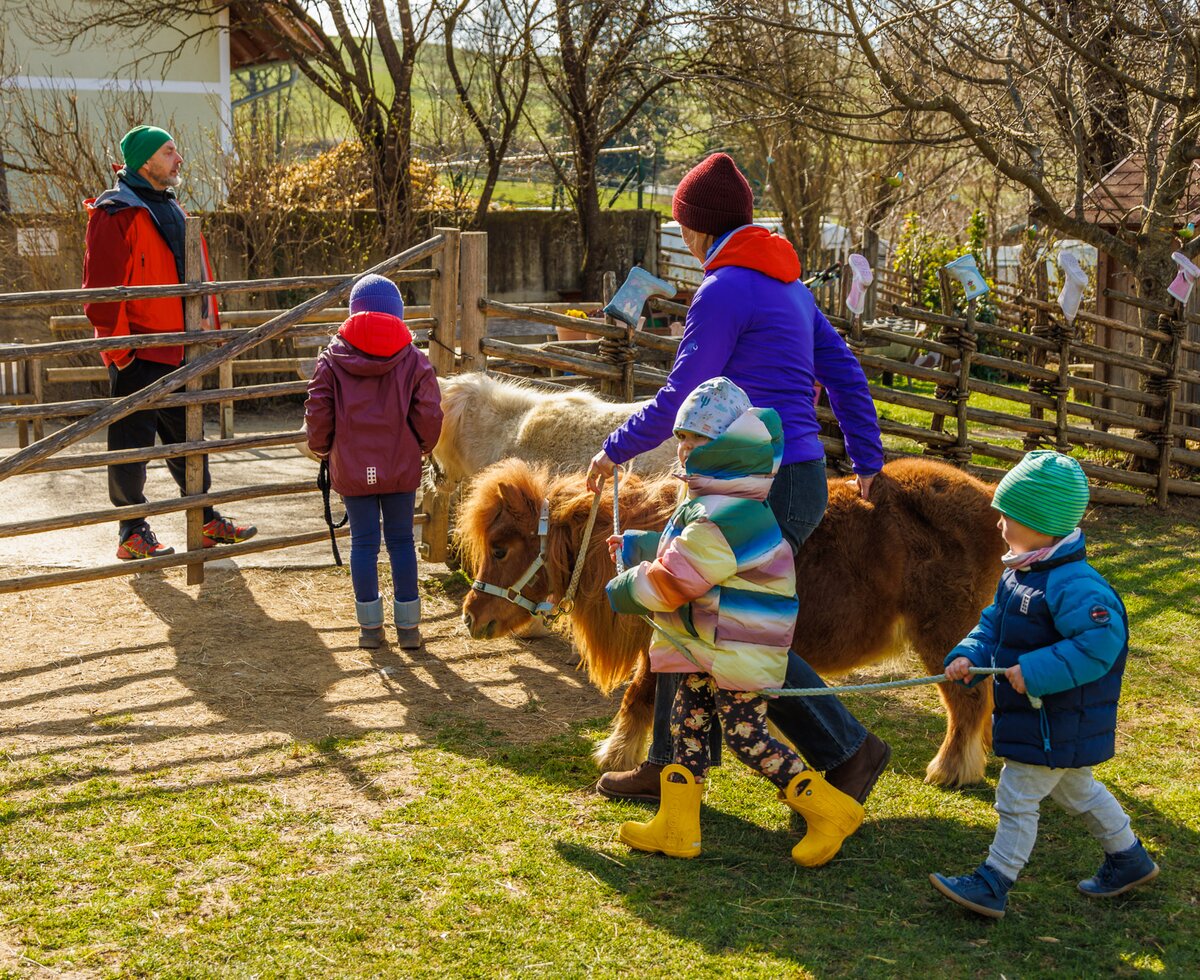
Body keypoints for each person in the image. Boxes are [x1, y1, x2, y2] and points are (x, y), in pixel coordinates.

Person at [586, 152, 890, 806]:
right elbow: (846, 374)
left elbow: (682, 394)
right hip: (795, 476)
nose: (686, 239)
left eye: (684, 226)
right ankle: (673, 767)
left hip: (754, 483)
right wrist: (865, 458)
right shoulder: (790, 289)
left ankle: (848, 748)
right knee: (698, 608)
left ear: (697, 227)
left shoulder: (722, 291)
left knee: (737, 626)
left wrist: (615, 450)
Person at [606, 378, 864, 866]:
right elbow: (684, 548)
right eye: (681, 437)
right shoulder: (716, 501)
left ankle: (831, 811)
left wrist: (624, 590)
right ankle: (677, 827)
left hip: (739, 642)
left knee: (747, 735)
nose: (683, 449)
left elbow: (677, 578)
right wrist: (640, 546)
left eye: (696, 440)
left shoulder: (731, 513)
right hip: (711, 641)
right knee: (687, 723)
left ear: (728, 446)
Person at [930, 451, 1158, 919]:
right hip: (1040, 715)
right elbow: (993, 622)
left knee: (1016, 796)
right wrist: (968, 653)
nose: (999, 526)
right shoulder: (1023, 571)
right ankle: (1129, 858)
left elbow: (1100, 644)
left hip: (1055, 717)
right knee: (1078, 791)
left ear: (1042, 523)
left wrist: (1036, 670)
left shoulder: (1076, 586)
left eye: (1009, 518)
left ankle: (994, 882)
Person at [83, 125, 256, 559]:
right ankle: (131, 532)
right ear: (145, 161)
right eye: (169, 151)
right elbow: (100, 293)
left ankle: (205, 518)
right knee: (131, 444)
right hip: (138, 351)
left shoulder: (173, 208)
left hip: (184, 350)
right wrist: (122, 354)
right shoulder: (114, 212)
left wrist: (207, 335)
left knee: (188, 439)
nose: (178, 159)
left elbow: (197, 276)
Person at [304, 275, 443, 650]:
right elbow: (429, 412)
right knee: (401, 541)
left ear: (354, 312)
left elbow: (318, 412)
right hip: (400, 465)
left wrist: (322, 449)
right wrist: (423, 446)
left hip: (351, 466)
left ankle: (369, 629)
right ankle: (409, 628)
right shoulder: (413, 359)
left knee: (363, 543)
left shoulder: (332, 358)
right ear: (397, 312)